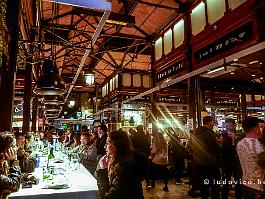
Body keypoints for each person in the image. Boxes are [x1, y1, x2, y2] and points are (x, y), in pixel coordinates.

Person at [95, 130, 148, 199]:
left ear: (117, 146)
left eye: (108, 143)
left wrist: (103, 171)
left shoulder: (125, 168)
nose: (105, 146)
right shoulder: (117, 162)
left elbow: (111, 195)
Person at [192, 116, 221, 199]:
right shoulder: (209, 133)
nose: (213, 123)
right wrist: (220, 144)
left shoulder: (195, 132)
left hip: (199, 163)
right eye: (212, 122)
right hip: (210, 163)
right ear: (210, 122)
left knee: (204, 186)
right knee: (214, 186)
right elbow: (216, 148)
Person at [237, 117, 264, 198]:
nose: (261, 130)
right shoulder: (257, 145)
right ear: (255, 129)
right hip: (257, 188)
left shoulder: (240, 143)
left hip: (246, 183)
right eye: (260, 127)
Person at [221, 119, 243, 199]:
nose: (228, 128)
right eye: (226, 126)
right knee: (226, 182)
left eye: (230, 125)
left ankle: (239, 197)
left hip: (237, 162)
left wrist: (235, 138)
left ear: (234, 126)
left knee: (238, 182)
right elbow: (222, 149)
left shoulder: (239, 134)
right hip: (227, 162)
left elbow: (242, 146)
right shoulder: (224, 135)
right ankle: (224, 196)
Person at [0, 132, 21, 197]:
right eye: (13, 146)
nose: (16, 148)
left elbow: (8, 177)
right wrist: (14, 161)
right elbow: (14, 185)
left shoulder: (3, 162)